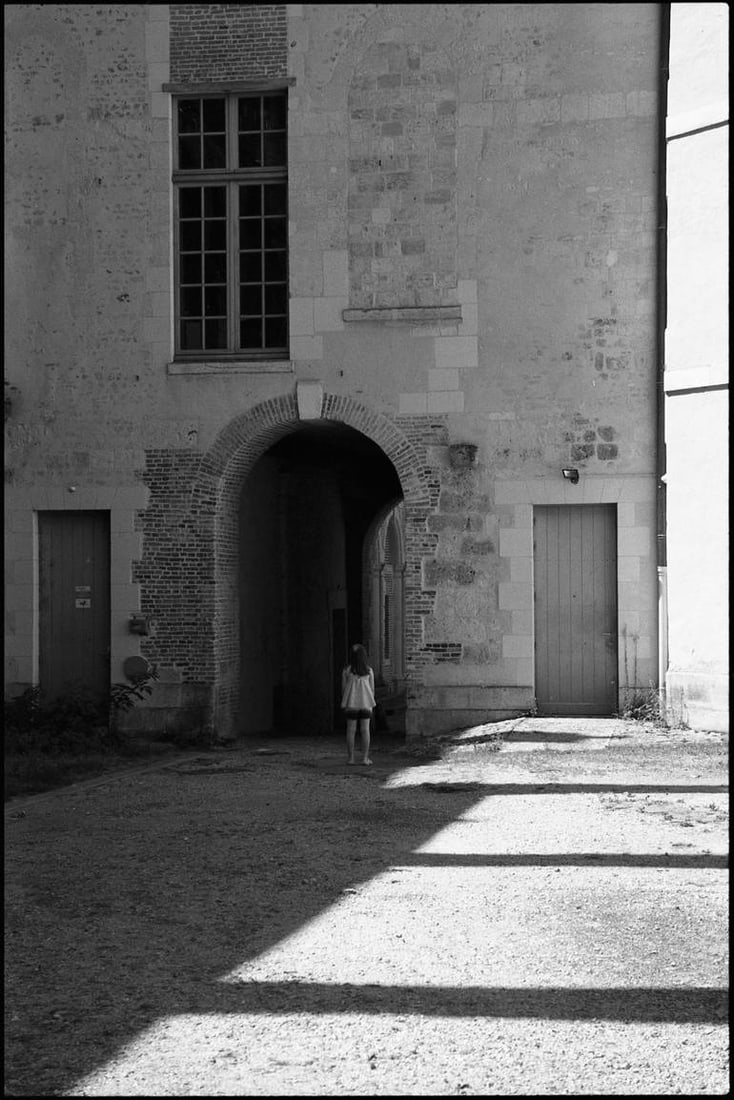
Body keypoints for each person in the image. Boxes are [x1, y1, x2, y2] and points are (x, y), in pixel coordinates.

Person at [341, 643, 376, 765]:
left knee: (351, 730)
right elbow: (372, 689)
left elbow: (344, 689)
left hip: (351, 704)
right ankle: (365, 758)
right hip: (366, 704)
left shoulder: (347, 670)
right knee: (365, 730)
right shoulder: (369, 671)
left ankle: (351, 758)